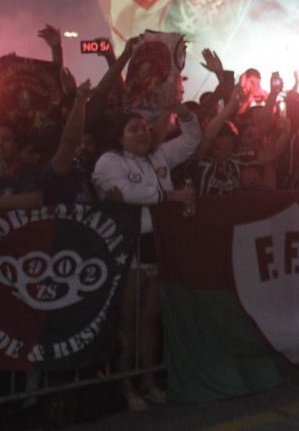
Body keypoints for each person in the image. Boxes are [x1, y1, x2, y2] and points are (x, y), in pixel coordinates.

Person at [91, 102, 201, 411]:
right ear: (119, 136)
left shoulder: (159, 155)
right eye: (133, 128)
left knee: (150, 320)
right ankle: (126, 388)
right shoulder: (109, 162)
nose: (142, 132)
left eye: (145, 127)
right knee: (127, 321)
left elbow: (192, 141)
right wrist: (171, 196)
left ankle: (148, 381)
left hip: (159, 244)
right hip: (127, 247)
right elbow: (128, 194)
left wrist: (187, 115)